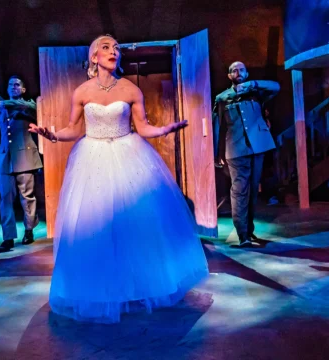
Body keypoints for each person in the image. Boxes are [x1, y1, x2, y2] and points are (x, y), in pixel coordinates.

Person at [29, 34, 209, 324]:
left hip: (128, 154)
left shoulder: (130, 89)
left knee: (134, 224)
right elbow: (73, 130)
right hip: (92, 158)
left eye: (116, 48)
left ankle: (139, 285)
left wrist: (166, 130)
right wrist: (51, 135)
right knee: (97, 225)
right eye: (105, 47)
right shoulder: (82, 91)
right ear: (94, 57)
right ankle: (100, 288)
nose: (113, 51)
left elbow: (144, 128)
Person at [212, 61, 279, 247]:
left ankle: (249, 230)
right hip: (235, 149)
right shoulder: (222, 98)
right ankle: (242, 235)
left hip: (257, 147)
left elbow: (276, 87)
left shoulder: (256, 92)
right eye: (233, 70)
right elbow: (216, 126)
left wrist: (253, 84)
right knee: (239, 191)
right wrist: (215, 152)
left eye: (241, 69)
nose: (237, 72)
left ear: (247, 73)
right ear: (229, 76)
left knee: (253, 191)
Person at [0, 76, 43, 252]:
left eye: (17, 85)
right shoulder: (0, 111)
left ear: (23, 90)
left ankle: (29, 229)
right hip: (5, 159)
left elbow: (30, 107)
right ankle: (8, 236)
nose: (13, 87)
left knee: (26, 197)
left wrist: (2, 103)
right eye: (10, 84)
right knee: (5, 198)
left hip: (25, 156)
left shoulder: (28, 106)